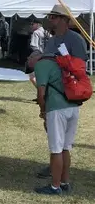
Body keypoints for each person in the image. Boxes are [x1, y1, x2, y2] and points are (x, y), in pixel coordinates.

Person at [27, 51, 80, 195]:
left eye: (29, 58)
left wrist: (43, 112)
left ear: (35, 57)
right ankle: (65, 183)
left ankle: (55, 187)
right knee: (65, 147)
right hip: (73, 107)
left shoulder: (41, 65)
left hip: (57, 109)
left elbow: (41, 93)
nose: (28, 61)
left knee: (56, 149)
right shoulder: (59, 62)